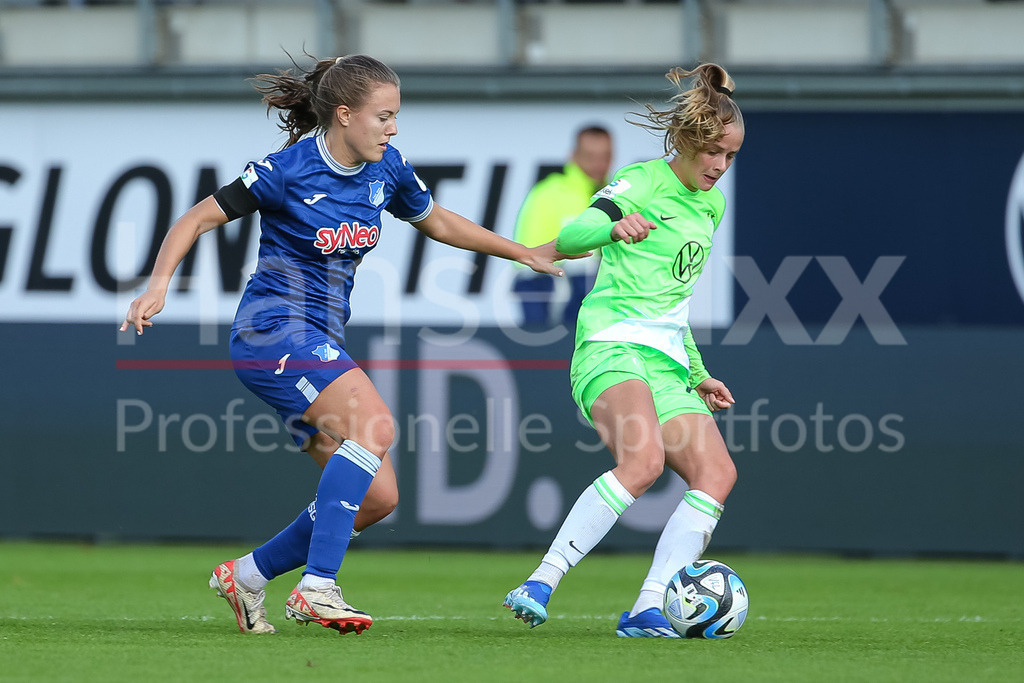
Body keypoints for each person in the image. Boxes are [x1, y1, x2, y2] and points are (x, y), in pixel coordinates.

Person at [120, 54, 580, 636]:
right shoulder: (285, 170)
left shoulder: (386, 169)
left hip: (315, 340)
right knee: (377, 427)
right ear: (344, 115)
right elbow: (194, 220)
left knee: (378, 497)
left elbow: (436, 221)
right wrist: (158, 285)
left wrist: (523, 251)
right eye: (384, 117)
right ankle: (318, 587)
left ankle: (249, 576)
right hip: (272, 334)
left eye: (395, 117)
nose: (393, 129)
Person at [502, 63, 743, 638]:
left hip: (665, 360)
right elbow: (568, 238)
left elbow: (672, 300)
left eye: (730, 155)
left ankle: (648, 607)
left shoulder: (712, 207)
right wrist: (613, 229)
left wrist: (699, 372)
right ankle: (542, 579)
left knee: (717, 472)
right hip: (610, 346)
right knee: (643, 463)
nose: (719, 165)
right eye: (712, 150)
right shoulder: (639, 181)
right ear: (686, 141)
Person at [512, 125, 613, 327]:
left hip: (597, 299)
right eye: (590, 156)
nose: (599, 164)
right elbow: (528, 263)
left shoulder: (617, 192)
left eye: (605, 156)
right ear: (573, 155)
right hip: (551, 290)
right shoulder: (548, 193)